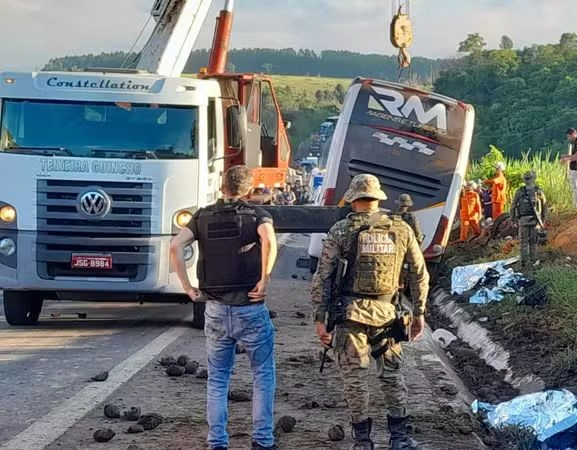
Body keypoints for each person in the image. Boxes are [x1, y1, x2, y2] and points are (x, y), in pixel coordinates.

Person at [311, 174, 429, 450]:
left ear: (353, 200)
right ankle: (399, 437)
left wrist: (320, 319)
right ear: (378, 199)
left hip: (351, 314)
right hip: (389, 313)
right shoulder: (401, 229)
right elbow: (419, 274)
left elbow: (323, 277)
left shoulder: (341, 230)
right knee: (391, 374)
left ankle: (362, 441)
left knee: (355, 376)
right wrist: (420, 312)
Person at [170, 165, 278, 450]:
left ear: (222, 187)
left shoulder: (202, 215)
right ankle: (263, 441)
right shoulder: (257, 215)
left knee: (218, 378)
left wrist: (187, 287)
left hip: (215, 308)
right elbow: (269, 240)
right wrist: (264, 280)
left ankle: (217, 441)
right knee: (262, 374)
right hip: (250, 307)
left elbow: (174, 246)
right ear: (249, 190)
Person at [510, 171, 547, 270]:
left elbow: (513, 206)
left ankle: (524, 263)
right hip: (535, 220)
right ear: (533, 178)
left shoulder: (519, 191)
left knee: (523, 243)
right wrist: (542, 220)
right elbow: (544, 206)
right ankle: (534, 261)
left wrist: (512, 219)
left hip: (523, 220)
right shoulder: (538, 191)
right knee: (533, 243)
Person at [560, 128, 577, 207]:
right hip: (573, 169)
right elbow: (574, 155)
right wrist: (566, 156)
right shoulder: (574, 143)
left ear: (573, 134)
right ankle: (574, 206)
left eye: (569, 136)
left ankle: (575, 207)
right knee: (573, 189)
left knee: (575, 189)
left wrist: (566, 159)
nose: (568, 138)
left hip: (575, 170)